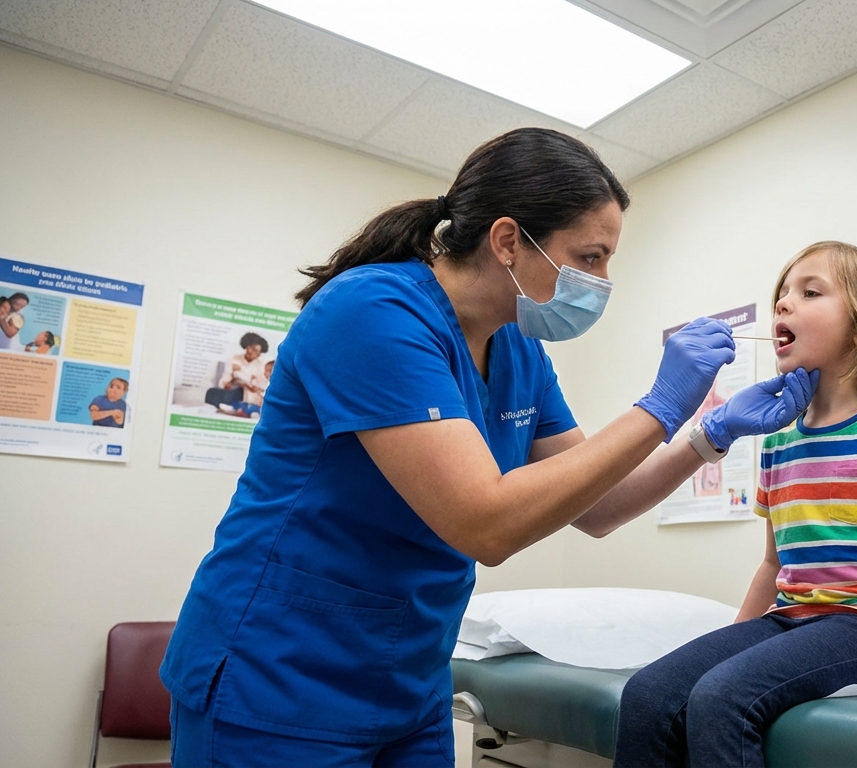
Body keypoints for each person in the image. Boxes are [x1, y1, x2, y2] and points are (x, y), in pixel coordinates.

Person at [160, 128, 819, 766]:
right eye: (590, 256)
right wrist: (660, 406)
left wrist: (709, 435)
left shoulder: (517, 348)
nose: (604, 279)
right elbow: (486, 522)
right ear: (509, 240)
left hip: (409, 678)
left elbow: (595, 506)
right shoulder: (372, 313)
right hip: (278, 673)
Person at [614, 242, 857, 768]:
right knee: (648, 695)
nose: (783, 305)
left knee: (723, 699)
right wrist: (737, 635)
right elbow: (774, 563)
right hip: (795, 617)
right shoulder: (778, 441)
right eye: (781, 295)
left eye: (809, 292)